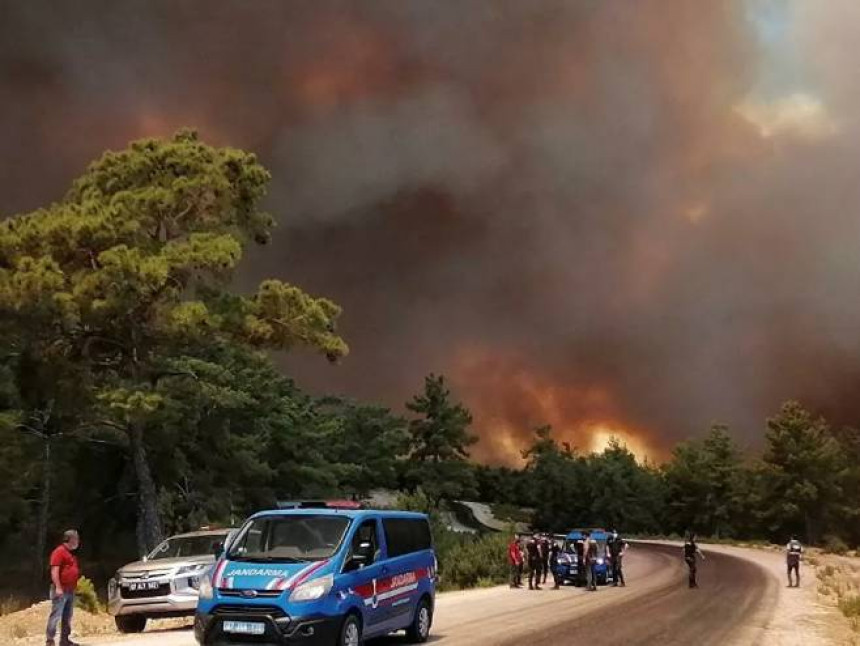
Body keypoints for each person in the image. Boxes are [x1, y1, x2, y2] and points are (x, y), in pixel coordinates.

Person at [46, 529, 81, 646]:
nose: (78, 542)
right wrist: (58, 587)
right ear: (70, 539)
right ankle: (50, 640)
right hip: (61, 590)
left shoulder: (70, 554)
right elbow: (54, 571)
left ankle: (64, 640)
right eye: (76, 539)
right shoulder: (59, 552)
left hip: (70, 590)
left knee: (67, 616)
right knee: (56, 615)